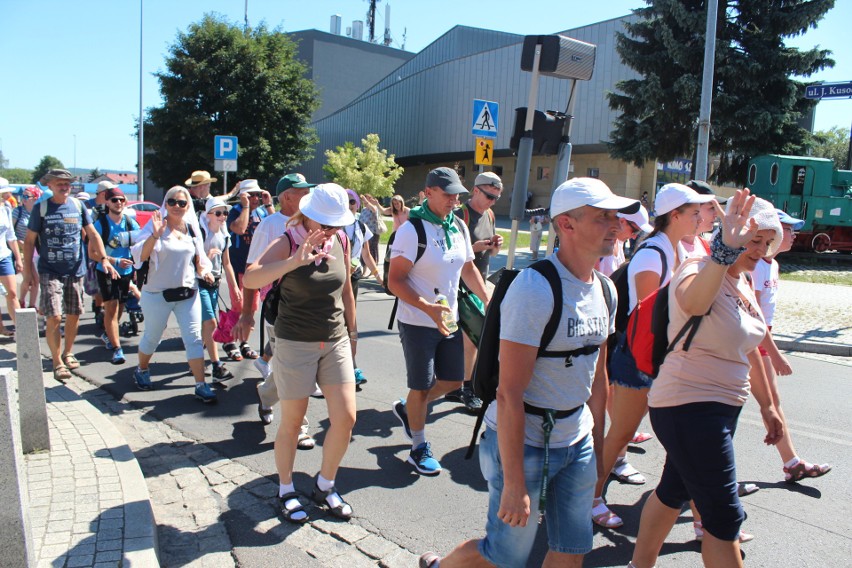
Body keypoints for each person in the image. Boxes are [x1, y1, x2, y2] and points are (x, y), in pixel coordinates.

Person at [419, 178, 636, 568]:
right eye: (603, 217)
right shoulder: (536, 289)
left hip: (578, 439)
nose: (616, 226)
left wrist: (599, 449)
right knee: (504, 556)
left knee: (572, 550)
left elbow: (598, 380)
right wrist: (516, 482)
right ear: (566, 225)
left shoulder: (607, 289)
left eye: (615, 217)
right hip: (525, 443)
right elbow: (509, 392)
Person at [628, 191, 785, 568]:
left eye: (768, 242)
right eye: (753, 239)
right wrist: (722, 253)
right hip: (688, 406)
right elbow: (694, 304)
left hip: (720, 408)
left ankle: (639, 565)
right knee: (725, 517)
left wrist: (769, 407)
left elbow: (751, 348)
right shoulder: (698, 266)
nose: (761, 250)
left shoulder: (744, 282)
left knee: (673, 490)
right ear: (731, 235)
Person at [593, 182, 715, 529]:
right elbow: (651, 312)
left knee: (685, 442)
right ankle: (592, 498)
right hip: (640, 359)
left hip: (665, 358)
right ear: (674, 215)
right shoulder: (653, 253)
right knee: (620, 434)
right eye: (694, 213)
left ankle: (705, 520)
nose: (700, 219)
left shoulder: (677, 249)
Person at [243, 183, 358, 524]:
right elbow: (251, 279)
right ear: (307, 215)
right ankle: (286, 488)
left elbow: (346, 288)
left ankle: (325, 484)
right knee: (292, 423)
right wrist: (294, 262)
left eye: (335, 223)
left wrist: (353, 332)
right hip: (294, 342)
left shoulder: (342, 240)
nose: (330, 230)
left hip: (334, 340)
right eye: (325, 223)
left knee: (346, 418)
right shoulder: (289, 238)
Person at [388, 167, 489, 476]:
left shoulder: (457, 224)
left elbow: (468, 268)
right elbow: (394, 280)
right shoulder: (411, 230)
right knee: (420, 387)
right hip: (418, 321)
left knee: (453, 382)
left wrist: (488, 300)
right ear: (428, 192)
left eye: (457, 194)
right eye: (447, 194)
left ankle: (409, 410)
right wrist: (425, 307)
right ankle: (418, 446)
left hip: (449, 319)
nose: (454, 200)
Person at [751, 209, 831, 483]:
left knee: (771, 403)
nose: (794, 235)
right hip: (753, 339)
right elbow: (754, 315)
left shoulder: (772, 265)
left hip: (763, 336)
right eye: (789, 230)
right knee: (751, 406)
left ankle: (792, 462)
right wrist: (775, 354)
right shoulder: (757, 265)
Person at [233, 173, 314, 432]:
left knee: (292, 364)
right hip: (278, 306)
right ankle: (299, 427)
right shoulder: (270, 225)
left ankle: (266, 395)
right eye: (302, 191)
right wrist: (247, 313)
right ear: (287, 196)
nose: (307, 195)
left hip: (307, 306)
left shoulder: (312, 222)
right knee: (293, 365)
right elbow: (250, 270)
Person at [23, 169, 118, 382]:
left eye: (67, 183)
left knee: (74, 313)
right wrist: (28, 270)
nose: (64, 187)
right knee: (55, 316)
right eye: (59, 183)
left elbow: (92, 233)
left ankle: (68, 351)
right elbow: (29, 241)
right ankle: (57, 361)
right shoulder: (42, 208)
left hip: (76, 270)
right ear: (50, 185)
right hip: (50, 271)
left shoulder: (77, 206)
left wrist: (103, 258)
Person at [129, 186, 217, 402]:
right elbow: (139, 255)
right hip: (157, 294)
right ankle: (141, 369)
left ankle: (200, 384)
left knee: (194, 339)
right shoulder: (156, 225)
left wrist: (205, 272)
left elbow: (198, 259)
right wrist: (155, 236)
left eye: (182, 202)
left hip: (188, 293)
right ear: (165, 203)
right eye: (172, 202)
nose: (177, 206)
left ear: (188, 205)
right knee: (153, 336)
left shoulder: (192, 229)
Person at [445, 171, 504, 413]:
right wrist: (474, 247)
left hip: (479, 282)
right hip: (459, 285)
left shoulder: (488, 214)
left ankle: (454, 385)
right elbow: (450, 252)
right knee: (472, 338)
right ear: (476, 190)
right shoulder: (460, 215)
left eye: (496, 198)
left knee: (468, 339)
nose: (492, 201)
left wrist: (494, 247)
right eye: (489, 196)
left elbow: (491, 255)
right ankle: (467, 388)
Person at [225, 179, 275, 361]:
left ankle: (244, 342)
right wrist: (246, 207)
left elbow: (278, 225)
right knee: (238, 306)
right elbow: (239, 229)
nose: (256, 198)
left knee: (252, 308)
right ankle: (228, 340)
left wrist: (268, 203)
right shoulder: (235, 212)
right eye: (251, 195)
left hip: (258, 267)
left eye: (258, 194)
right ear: (243, 196)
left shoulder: (262, 212)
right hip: (239, 265)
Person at [91, 185, 139, 365]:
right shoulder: (100, 224)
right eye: (114, 200)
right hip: (106, 271)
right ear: (107, 202)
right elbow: (92, 253)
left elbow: (139, 244)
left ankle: (109, 333)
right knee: (111, 306)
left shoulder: (130, 222)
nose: (118, 203)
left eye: (121, 200)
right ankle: (117, 348)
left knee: (120, 307)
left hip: (126, 272)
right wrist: (114, 261)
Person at [343, 189, 383, 387]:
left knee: (351, 324)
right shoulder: (333, 226)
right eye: (345, 201)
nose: (349, 205)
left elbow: (366, 255)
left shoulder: (360, 226)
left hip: (353, 279)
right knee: (338, 324)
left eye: (352, 202)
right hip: (335, 281)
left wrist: (378, 276)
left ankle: (351, 367)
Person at [198, 197, 240, 383]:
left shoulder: (224, 236)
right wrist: (206, 258)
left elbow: (227, 263)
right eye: (218, 213)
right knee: (210, 323)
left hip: (214, 284)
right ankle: (216, 366)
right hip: (198, 283)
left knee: (204, 325)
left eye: (225, 213)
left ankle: (196, 360)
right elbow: (191, 260)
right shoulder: (200, 233)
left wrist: (234, 287)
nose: (223, 217)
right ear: (208, 215)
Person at [12, 185, 41, 311]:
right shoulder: (17, 211)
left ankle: (31, 305)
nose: (23, 198)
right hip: (21, 250)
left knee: (36, 280)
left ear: (35, 198)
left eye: (26, 196)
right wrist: (19, 243)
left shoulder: (38, 212)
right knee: (30, 277)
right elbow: (10, 233)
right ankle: (22, 301)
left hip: (36, 250)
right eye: (22, 196)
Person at [0, 183, 23, 337]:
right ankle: (1, 328)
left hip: (4, 255)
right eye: (4, 192)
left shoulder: (6, 208)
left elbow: (10, 235)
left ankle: (23, 332)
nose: (7, 195)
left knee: (12, 293)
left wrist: (18, 258)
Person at [358, 194, 385, 271]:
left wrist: (364, 199)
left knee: (372, 250)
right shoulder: (363, 210)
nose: (364, 202)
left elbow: (373, 208)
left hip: (373, 233)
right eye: (363, 200)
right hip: (364, 233)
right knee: (363, 251)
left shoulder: (374, 208)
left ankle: (373, 270)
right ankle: (364, 269)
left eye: (367, 199)